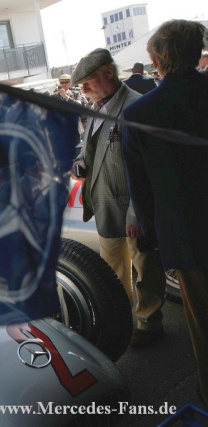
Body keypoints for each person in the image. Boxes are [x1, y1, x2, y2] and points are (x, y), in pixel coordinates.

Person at [121, 19, 208, 403]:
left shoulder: (141, 113)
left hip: (189, 235)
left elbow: (141, 187)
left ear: (157, 58)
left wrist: (152, 233)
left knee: (203, 322)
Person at [70, 48, 167, 348]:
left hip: (131, 209)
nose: (83, 90)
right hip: (104, 205)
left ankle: (149, 324)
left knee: (146, 269)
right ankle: (123, 321)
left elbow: (149, 168)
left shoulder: (135, 108)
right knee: (113, 272)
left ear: (108, 74)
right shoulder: (96, 107)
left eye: (88, 82)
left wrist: (136, 214)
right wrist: (81, 161)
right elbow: (92, 148)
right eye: (81, 85)